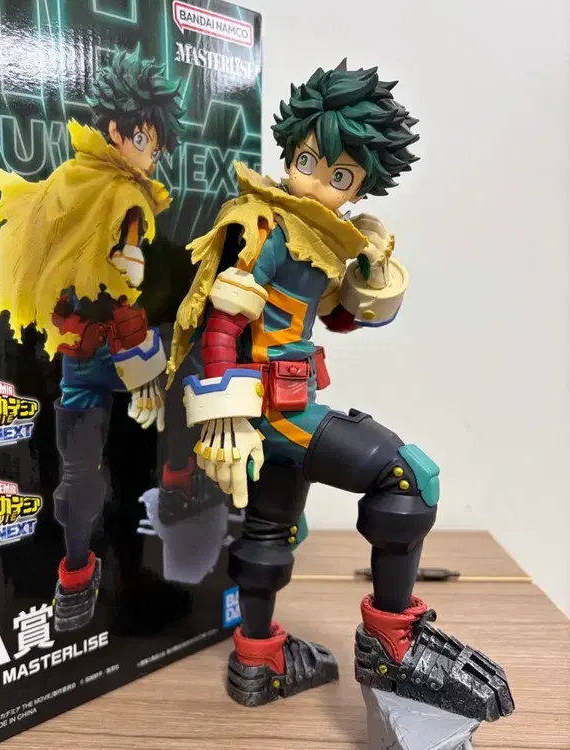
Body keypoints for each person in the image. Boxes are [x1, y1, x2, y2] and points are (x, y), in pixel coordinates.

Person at [167, 60, 514, 722]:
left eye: (341, 176)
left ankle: (257, 660)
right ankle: (392, 646)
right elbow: (224, 322)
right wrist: (226, 419)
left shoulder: (316, 236)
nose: (317, 181)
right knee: (408, 477)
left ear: (362, 184)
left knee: (268, 530)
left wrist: (374, 269)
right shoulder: (266, 226)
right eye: (307, 160)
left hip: (279, 408)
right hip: (275, 413)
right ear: (290, 148)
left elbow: (339, 317)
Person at [0, 46, 185, 632]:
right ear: (116, 131)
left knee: (100, 467)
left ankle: (89, 570)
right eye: (143, 140)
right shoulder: (118, 192)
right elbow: (116, 279)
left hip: (87, 351)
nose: (148, 156)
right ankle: (91, 566)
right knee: (98, 469)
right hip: (111, 354)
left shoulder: (72, 181)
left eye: (154, 147)